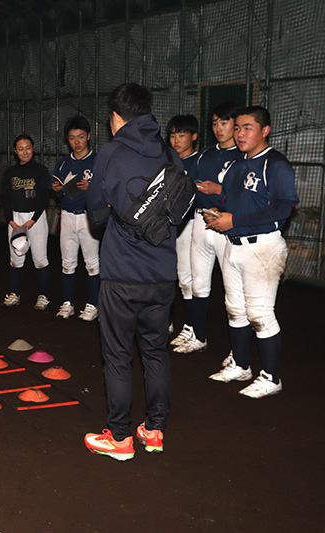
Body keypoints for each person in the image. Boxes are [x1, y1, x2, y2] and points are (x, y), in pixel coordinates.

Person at [84, 83, 183, 460]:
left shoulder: (111, 153)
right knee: (155, 353)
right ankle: (154, 431)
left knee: (118, 356)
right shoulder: (169, 151)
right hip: (162, 275)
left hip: (122, 273)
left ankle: (120, 437)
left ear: (115, 117)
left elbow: (95, 213)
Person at [204, 106, 298, 399]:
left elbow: (284, 207)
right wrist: (219, 213)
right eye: (238, 128)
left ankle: (271, 377)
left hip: (263, 247)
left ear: (264, 131)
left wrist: (235, 220)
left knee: (260, 313)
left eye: (247, 128)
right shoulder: (237, 164)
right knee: (235, 309)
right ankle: (241, 365)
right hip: (234, 245)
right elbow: (237, 201)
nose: (240, 133)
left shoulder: (275, 164)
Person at [174, 102, 241, 354]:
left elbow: (248, 194)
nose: (218, 128)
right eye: (214, 123)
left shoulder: (242, 155)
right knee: (197, 284)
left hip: (228, 226)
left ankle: (239, 353)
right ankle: (197, 335)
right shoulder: (204, 154)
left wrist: (219, 190)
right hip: (202, 222)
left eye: (224, 122)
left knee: (234, 291)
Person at [51, 115, 100, 320]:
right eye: (72, 138)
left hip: (88, 217)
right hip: (67, 216)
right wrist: (57, 189)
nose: (77, 142)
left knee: (92, 263)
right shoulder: (62, 164)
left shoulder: (97, 161)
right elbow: (57, 190)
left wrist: (92, 187)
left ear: (89, 136)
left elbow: (107, 189)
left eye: (80, 137)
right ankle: (67, 303)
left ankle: (92, 305)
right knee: (67, 262)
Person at [0, 134, 52, 310]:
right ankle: (15, 293)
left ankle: (43, 296)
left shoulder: (41, 171)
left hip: (35, 219)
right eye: (20, 149)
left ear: (33, 148)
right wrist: (11, 221)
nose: (24, 152)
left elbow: (44, 198)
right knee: (16, 259)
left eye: (28, 148)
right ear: (15, 151)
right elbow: (6, 198)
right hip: (16, 219)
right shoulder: (10, 173)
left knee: (40, 259)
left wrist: (32, 220)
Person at [165, 114, 201, 353]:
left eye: (182, 134)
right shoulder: (168, 160)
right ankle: (175, 323)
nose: (176, 140)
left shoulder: (200, 161)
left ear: (194, 136)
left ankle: (193, 327)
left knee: (191, 280)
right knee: (174, 276)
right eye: (172, 135)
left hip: (193, 224)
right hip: (170, 226)